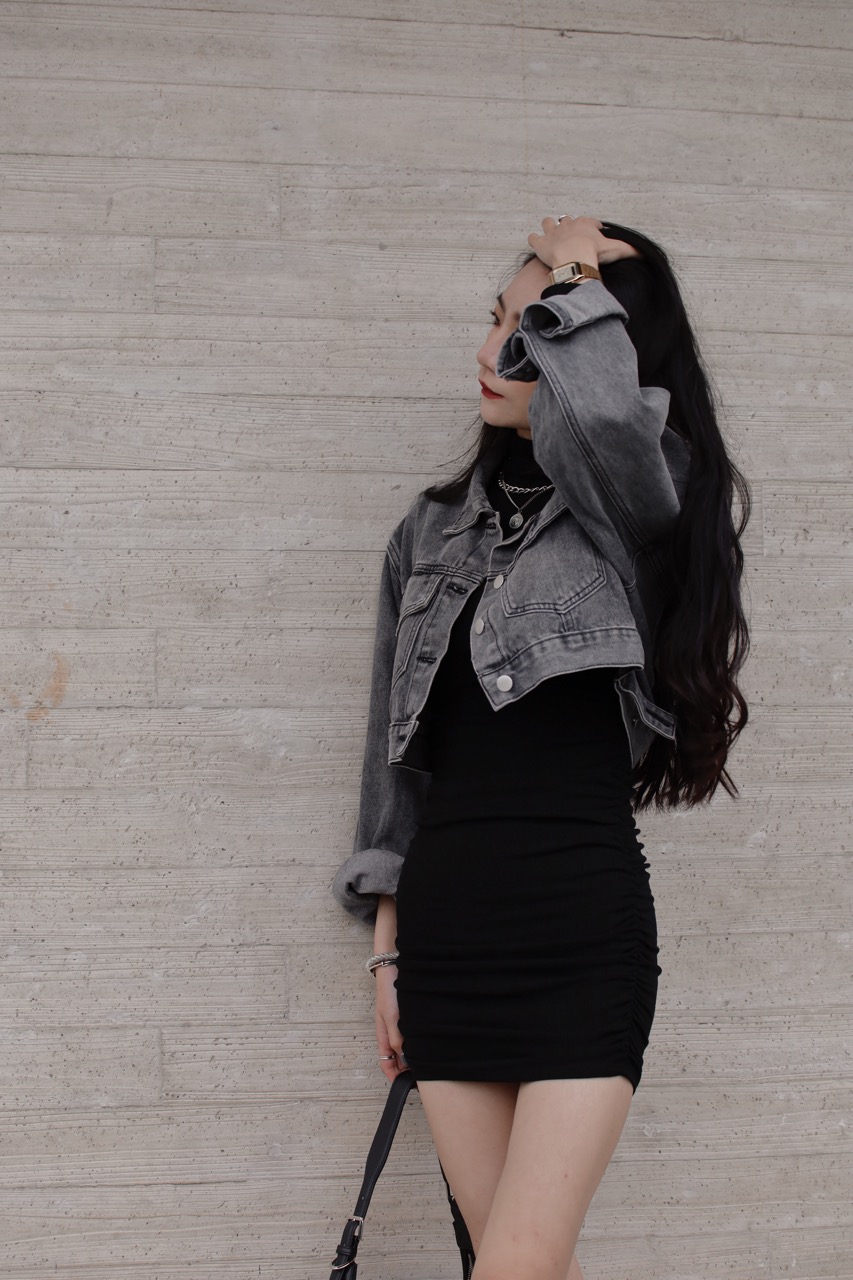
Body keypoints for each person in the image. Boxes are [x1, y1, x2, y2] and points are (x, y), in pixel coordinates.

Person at [332, 215, 751, 1279]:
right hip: (447, 940)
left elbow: (603, 418)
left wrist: (573, 266)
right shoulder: (428, 531)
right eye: (495, 320)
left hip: (577, 935)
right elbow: (396, 759)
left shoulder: (636, 505)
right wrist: (388, 949)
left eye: (532, 329)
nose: (491, 351)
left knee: (516, 1263)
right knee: (514, 1265)